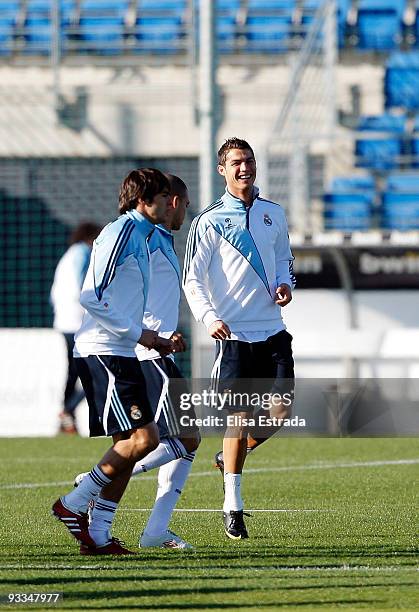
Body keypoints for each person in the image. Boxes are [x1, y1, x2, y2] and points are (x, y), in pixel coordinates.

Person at [52, 168, 174, 556]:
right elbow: (91, 296)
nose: (169, 203)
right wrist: (140, 334)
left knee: (131, 442)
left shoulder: (143, 233)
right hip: (103, 350)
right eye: (163, 196)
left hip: (121, 349)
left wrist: (153, 336)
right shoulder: (120, 231)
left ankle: (99, 533)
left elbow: (124, 297)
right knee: (144, 439)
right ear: (144, 200)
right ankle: (73, 503)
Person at [74, 174, 200, 550]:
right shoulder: (132, 233)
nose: (182, 211)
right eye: (181, 202)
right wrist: (147, 335)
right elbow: (98, 295)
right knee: (175, 436)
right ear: (168, 200)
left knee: (166, 438)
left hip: (148, 346)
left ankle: (108, 531)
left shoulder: (154, 238)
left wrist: (164, 335)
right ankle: (90, 484)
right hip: (138, 351)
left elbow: (143, 295)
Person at [183, 137, 296, 540]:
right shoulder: (208, 221)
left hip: (273, 330)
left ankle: (232, 454)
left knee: (281, 413)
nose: (243, 168)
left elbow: (285, 257)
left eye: (248, 161)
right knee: (239, 419)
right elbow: (191, 278)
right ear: (222, 170)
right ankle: (233, 506)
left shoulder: (274, 214)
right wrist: (209, 317)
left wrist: (285, 283)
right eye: (235, 162)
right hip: (234, 337)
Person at [50, 221, 101, 434]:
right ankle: (68, 410)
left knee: (73, 371)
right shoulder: (83, 253)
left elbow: (54, 294)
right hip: (79, 322)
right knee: (96, 371)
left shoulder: (68, 255)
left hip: (64, 321)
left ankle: (66, 414)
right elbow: (85, 285)